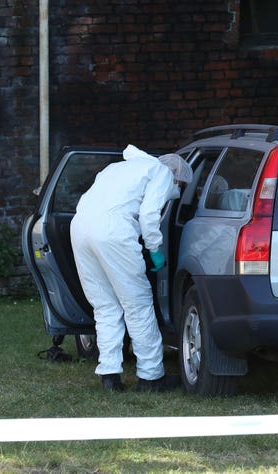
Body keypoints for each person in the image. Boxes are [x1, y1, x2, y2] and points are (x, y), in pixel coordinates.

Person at [70, 144, 193, 392]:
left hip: (80, 228)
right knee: (137, 305)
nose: (175, 192)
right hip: (114, 232)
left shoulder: (117, 168)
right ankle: (151, 377)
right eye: (178, 188)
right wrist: (155, 249)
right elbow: (149, 215)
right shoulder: (161, 172)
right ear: (176, 176)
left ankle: (109, 376)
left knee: (105, 306)